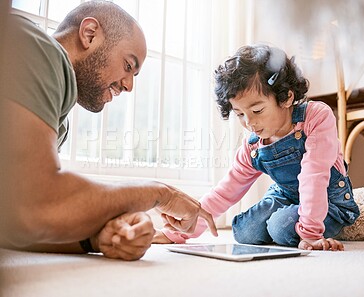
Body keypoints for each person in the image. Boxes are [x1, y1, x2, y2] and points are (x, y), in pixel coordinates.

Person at [0, 0, 217, 261]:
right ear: (89, 34)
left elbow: (15, 219)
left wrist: (94, 239)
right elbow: (36, 200)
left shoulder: (60, 122)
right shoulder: (41, 50)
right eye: (128, 65)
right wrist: (160, 194)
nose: (129, 86)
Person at [154, 44, 360, 251]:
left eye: (257, 110)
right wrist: (175, 232)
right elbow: (225, 191)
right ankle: (287, 224)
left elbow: (313, 176)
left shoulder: (316, 117)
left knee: (279, 227)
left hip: (329, 200)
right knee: (245, 231)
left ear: (286, 98)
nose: (249, 123)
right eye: (240, 114)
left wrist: (311, 234)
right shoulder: (253, 146)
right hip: (285, 196)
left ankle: (301, 225)